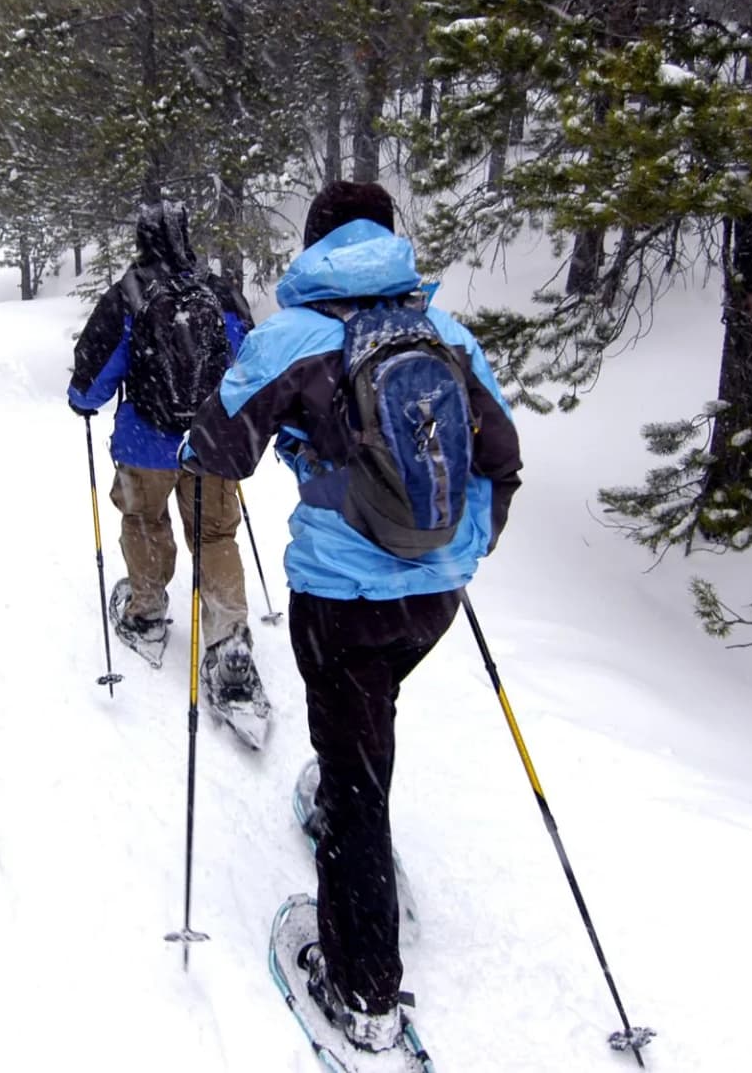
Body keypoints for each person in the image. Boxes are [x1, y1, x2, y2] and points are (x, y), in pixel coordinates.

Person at [184, 181, 522, 1052]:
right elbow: (502, 455)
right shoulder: (443, 332)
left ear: (315, 243)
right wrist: (462, 547)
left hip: (342, 599)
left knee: (353, 774)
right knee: (372, 717)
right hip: (436, 598)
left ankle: (364, 991)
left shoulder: (294, 335)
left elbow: (219, 449)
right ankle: (354, 797)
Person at [67, 201, 264, 710]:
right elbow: (251, 363)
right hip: (210, 445)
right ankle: (228, 640)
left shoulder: (128, 295)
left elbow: (92, 379)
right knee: (216, 533)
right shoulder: (219, 293)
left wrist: (82, 402)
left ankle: (147, 610)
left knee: (144, 519)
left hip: (145, 445)